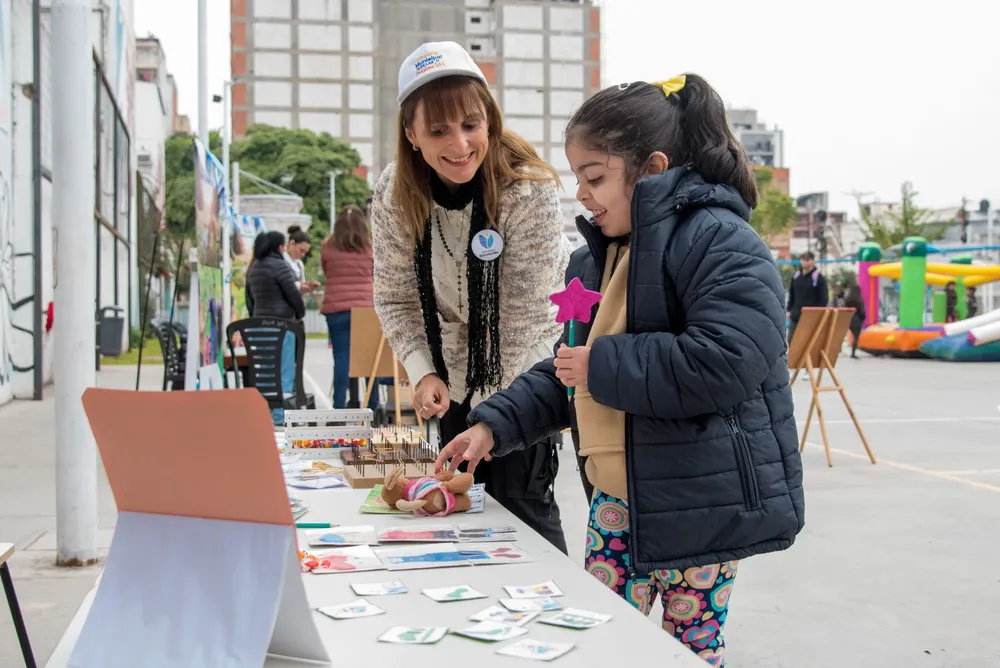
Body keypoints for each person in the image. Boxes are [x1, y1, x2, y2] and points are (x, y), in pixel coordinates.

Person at [437, 74, 805, 664]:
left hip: (698, 508)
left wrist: (601, 364)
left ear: (652, 169)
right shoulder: (595, 258)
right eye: (578, 177)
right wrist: (494, 425)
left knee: (688, 652)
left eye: (596, 176)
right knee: (604, 645)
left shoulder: (720, 241)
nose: (581, 194)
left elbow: (726, 359)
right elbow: (565, 368)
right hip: (615, 501)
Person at [371, 41, 570, 553]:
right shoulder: (396, 193)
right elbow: (395, 297)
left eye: (470, 124)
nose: (459, 144)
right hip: (451, 382)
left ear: (490, 120)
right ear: (411, 135)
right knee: (452, 522)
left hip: (524, 378)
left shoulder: (526, 190)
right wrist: (424, 371)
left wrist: (492, 422)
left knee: (522, 515)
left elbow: (530, 319)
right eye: (438, 130)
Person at [321, 204, 390, 410]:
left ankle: (339, 407)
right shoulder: (371, 246)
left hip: (336, 307)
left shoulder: (327, 246)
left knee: (341, 358)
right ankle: (372, 405)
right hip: (366, 307)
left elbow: (327, 271)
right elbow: (377, 273)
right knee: (370, 359)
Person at [245, 230, 306, 424]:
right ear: (280, 247)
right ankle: (280, 417)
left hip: (258, 329)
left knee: (265, 373)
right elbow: (293, 295)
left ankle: (263, 414)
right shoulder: (280, 266)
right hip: (281, 327)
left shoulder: (254, 268)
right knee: (284, 373)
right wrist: (300, 313)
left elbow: (250, 300)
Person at [787, 251, 828, 343]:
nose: (805, 262)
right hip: (796, 315)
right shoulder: (796, 276)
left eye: (807, 260)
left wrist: (817, 313)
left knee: (807, 342)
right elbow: (792, 294)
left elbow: (823, 299)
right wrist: (789, 310)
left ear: (813, 261)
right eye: (803, 259)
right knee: (792, 341)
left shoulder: (818, 278)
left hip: (810, 316)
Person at [285, 225, 319, 296]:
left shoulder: (299, 264)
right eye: (301, 250)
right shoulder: (280, 261)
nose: (303, 255)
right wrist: (299, 286)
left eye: (305, 252)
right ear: (292, 243)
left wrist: (308, 285)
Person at [844, 284, 866, 358]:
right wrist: (863, 319)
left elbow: (844, 309)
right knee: (856, 337)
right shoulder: (860, 300)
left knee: (845, 335)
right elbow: (862, 312)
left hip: (848, 319)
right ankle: (853, 353)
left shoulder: (848, 299)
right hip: (857, 320)